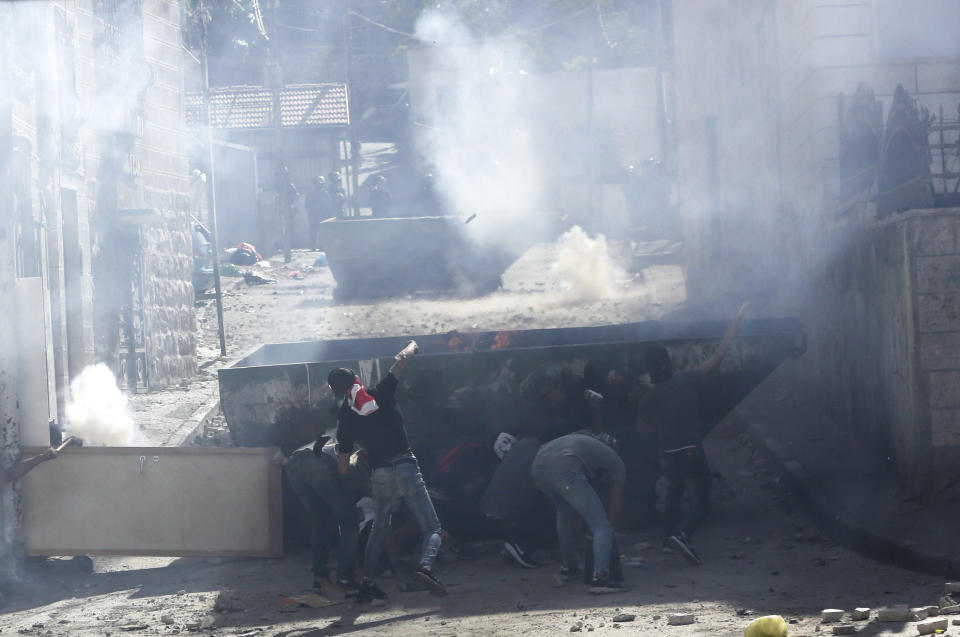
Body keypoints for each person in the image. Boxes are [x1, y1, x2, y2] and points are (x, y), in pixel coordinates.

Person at [329, 341, 446, 602]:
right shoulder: (380, 393)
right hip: (406, 466)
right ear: (356, 380)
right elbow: (399, 362)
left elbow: (343, 467)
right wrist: (413, 346)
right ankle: (425, 568)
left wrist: (357, 455)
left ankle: (368, 583)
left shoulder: (345, 419)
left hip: (380, 475)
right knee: (433, 528)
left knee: (379, 529)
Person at [636, 302, 750, 565]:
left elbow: (643, 429)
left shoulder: (648, 399)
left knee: (674, 494)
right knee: (701, 502)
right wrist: (732, 330)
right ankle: (683, 534)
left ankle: (667, 540)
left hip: (668, 455)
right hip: (691, 451)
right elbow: (715, 360)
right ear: (668, 364)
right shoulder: (685, 380)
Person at [531, 431, 626, 594]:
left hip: (537, 469)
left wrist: (580, 537)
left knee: (564, 510)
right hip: (564, 470)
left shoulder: (579, 441)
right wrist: (610, 532)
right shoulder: (615, 459)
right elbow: (616, 502)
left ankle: (569, 567)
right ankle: (601, 578)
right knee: (601, 526)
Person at [285, 435, 361, 595]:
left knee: (321, 522)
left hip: (293, 463)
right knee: (350, 524)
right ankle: (345, 579)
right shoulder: (362, 446)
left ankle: (320, 580)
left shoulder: (336, 432)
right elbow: (351, 472)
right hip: (320, 462)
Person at [304, 176, 332, 250]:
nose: (320, 185)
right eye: (318, 183)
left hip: (323, 216)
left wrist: (328, 214)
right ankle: (312, 247)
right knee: (313, 231)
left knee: (323, 231)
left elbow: (329, 204)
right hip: (314, 216)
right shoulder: (311, 194)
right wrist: (312, 212)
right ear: (315, 184)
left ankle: (322, 247)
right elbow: (307, 205)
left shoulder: (326, 194)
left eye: (321, 184)